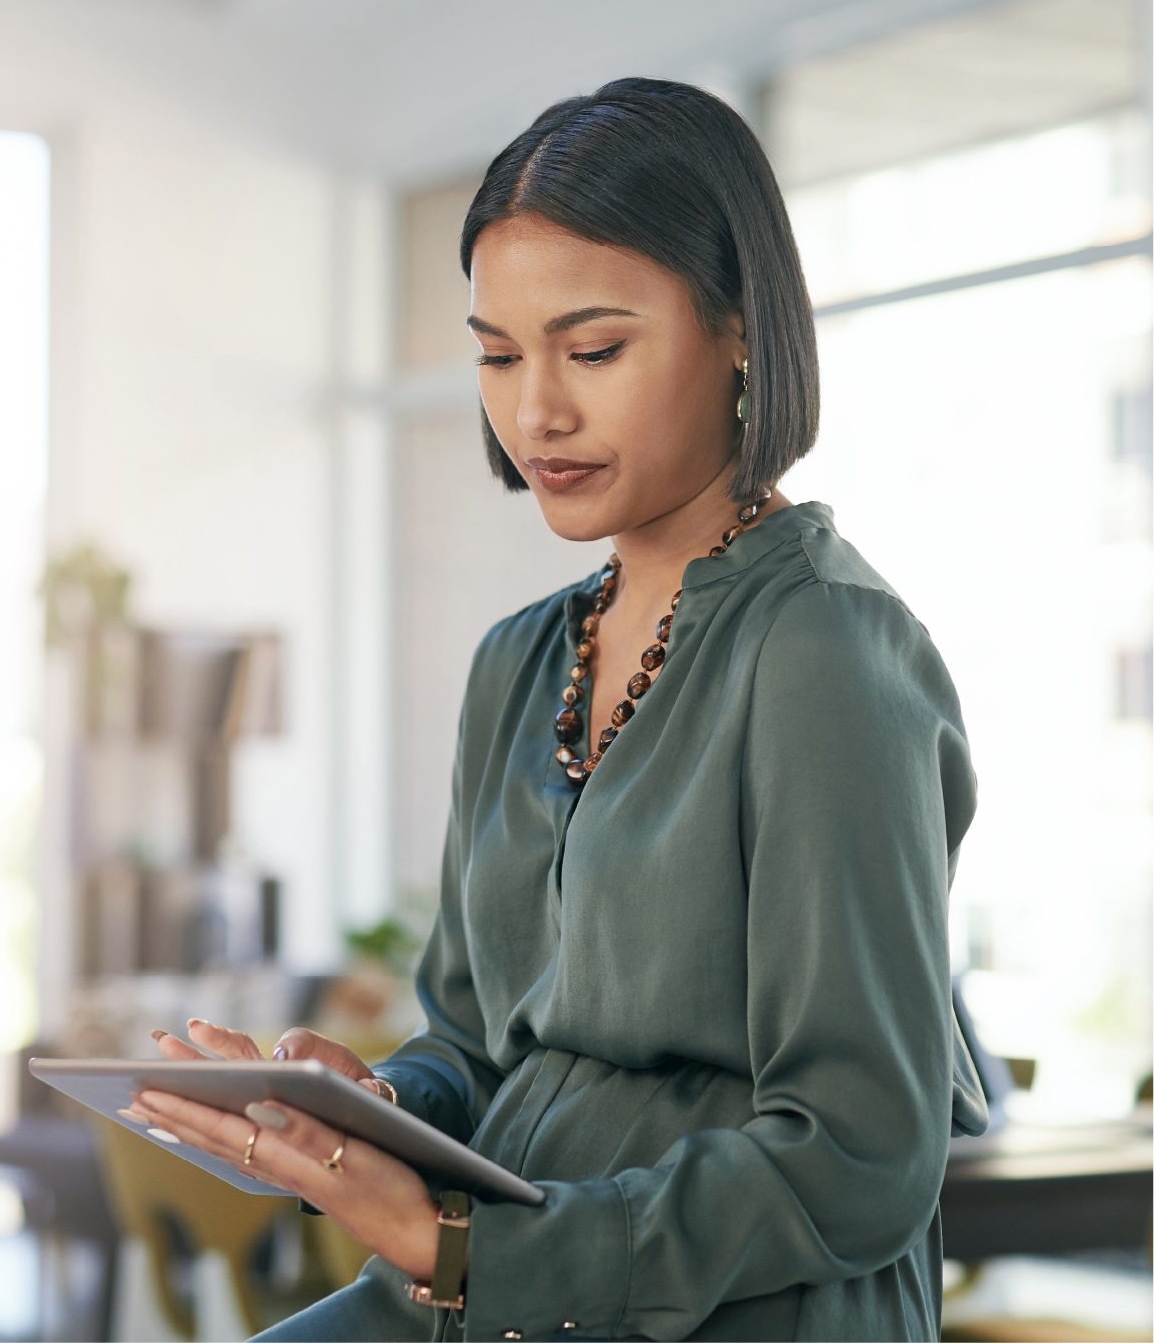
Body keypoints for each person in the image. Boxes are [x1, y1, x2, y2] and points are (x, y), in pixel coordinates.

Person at [126, 78, 987, 1342]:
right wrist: (363, 1107)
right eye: (494, 354)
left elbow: (858, 1154)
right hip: (487, 1288)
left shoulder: (826, 654)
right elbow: (478, 1049)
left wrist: (463, 1241)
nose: (536, 410)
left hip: (720, 1307)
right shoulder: (520, 661)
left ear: (740, 330)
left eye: (592, 350)